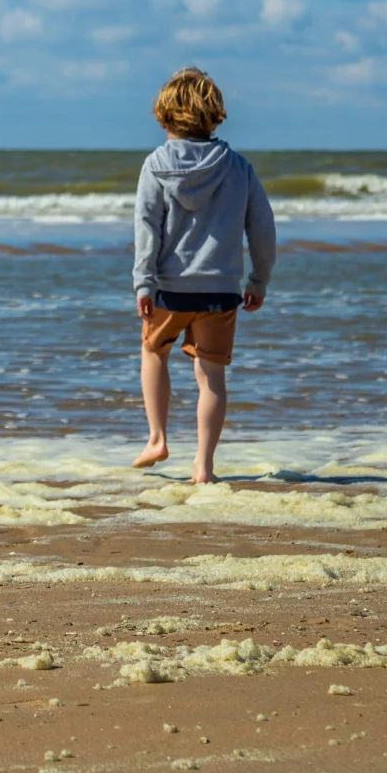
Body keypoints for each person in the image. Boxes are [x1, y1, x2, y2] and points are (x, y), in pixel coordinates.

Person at [130, 67, 276, 483]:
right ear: (215, 117)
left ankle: (157, 437)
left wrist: (144, 281)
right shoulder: (238, 167)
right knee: (211, 373)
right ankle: (204, 466)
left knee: (154, 352)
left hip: (170, 289)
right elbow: (262, 228)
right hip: (220, 288)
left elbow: (146, 227)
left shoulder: (155, 165)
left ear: (162, 118)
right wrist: (258, 280)